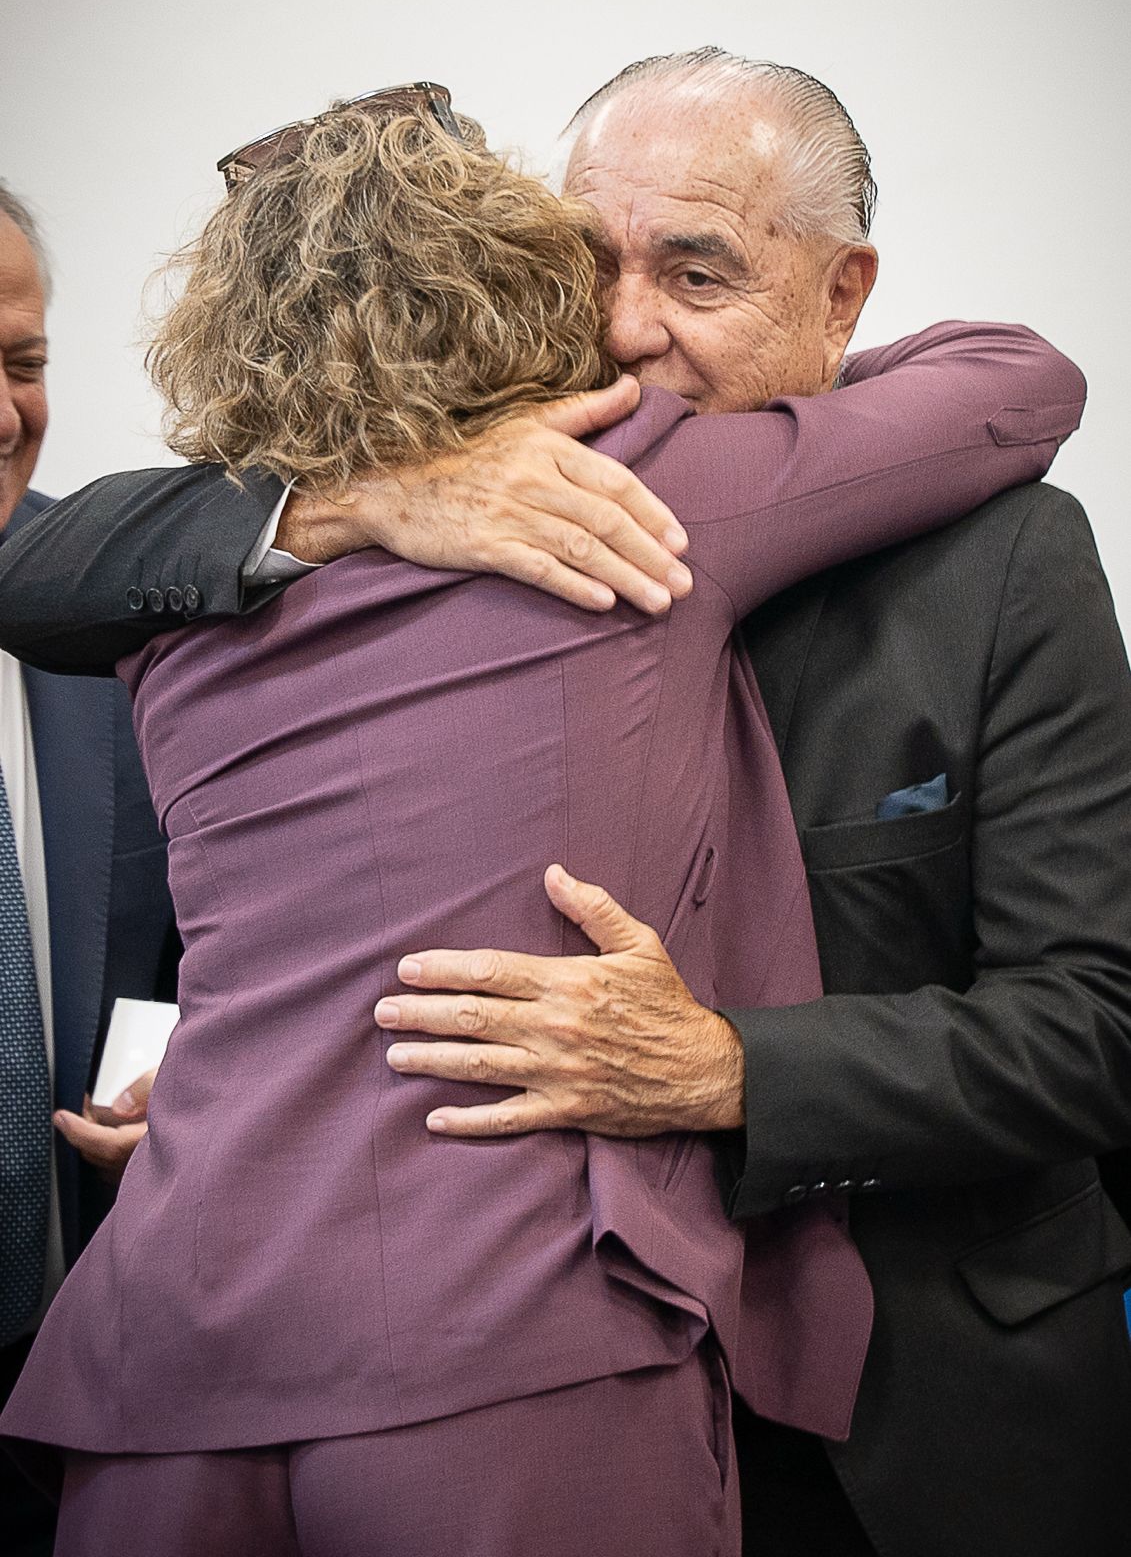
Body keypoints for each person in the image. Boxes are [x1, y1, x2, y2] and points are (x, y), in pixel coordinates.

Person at [0, 87, 1082, 1557]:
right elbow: (1018, 379)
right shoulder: (642, 495)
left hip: (169, 1346)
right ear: (521, 283)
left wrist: (331, 495)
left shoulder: (171, 627)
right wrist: (381, 492)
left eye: (693, 275)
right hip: (501, 1337)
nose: (629, 329)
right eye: (592, 269)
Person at [0, 188, 178, 1557]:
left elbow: (197, 942)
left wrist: (185, 1079)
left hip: (65, 1394)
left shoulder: (118, 601)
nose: (4, 416)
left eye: (22, 363)